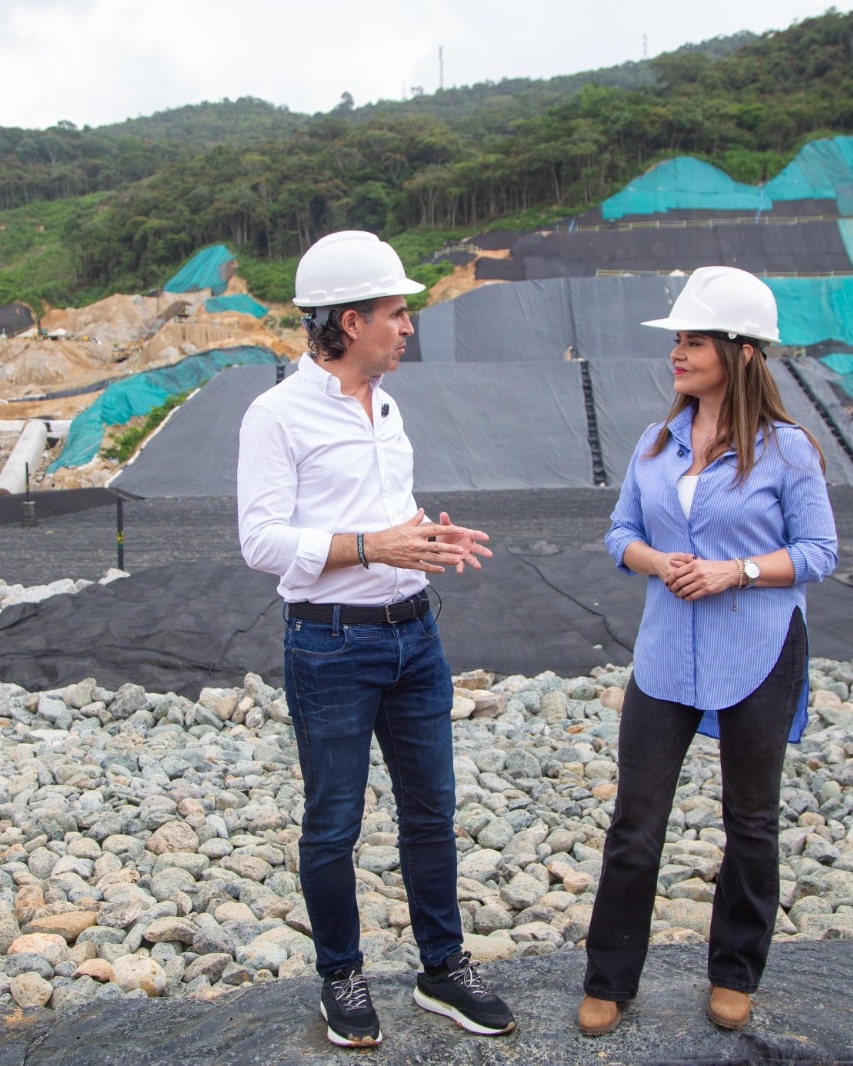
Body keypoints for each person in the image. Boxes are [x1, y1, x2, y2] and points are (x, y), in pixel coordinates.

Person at [237, 230, 517, 1048]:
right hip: (330, 645)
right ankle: (342, 977)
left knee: (432, 811)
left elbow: (383, 516)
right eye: (397, 313)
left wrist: (423, 537)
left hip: (414, 634)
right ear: (351, 321)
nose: (409, 326)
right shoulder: (275, 416)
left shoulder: (387, 406)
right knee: (333, 822)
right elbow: (260, 542)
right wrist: (373, 546)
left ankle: (442, 968)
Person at [576, 266, 838, 1037]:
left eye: (694, 341)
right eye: (679, 341)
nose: (678, 353)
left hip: (759, 651)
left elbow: (819, 552)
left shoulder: (788, 450)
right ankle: (609, 979)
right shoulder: (655, 443)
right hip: (664, 658)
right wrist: (658, 563)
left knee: (750, 820)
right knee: (634, 823)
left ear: (742, 352)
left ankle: (734, 973)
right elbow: (620, 533)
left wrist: (736, 571)